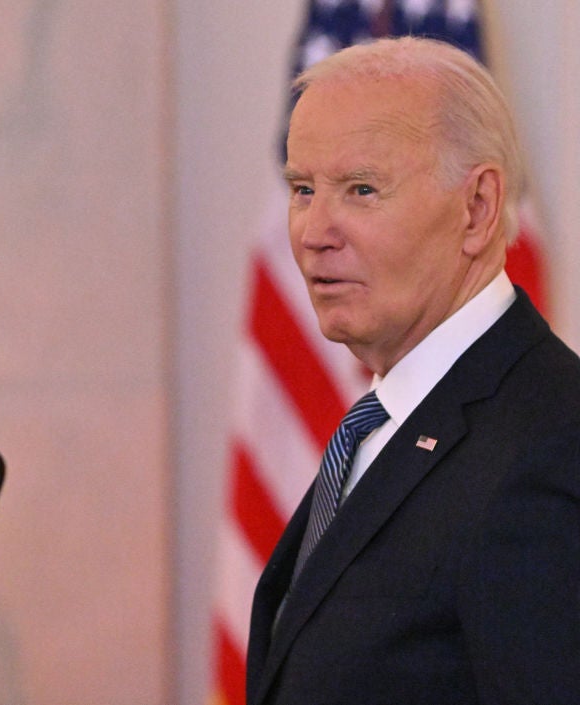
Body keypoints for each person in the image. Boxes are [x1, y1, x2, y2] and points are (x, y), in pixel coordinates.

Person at [246, 37, 580, 704]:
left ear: (478, 208)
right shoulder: (385, 422)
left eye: (362, 189)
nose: (314, 230)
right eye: (303, 188)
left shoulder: (551, 442)